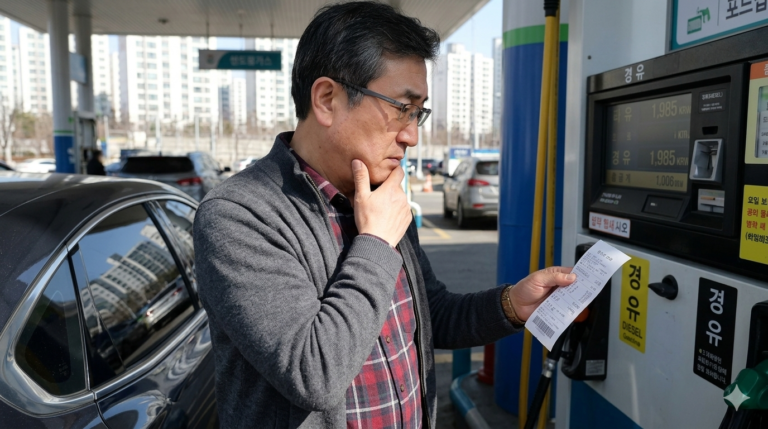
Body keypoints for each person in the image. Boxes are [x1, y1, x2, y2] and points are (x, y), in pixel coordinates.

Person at [193, 2, 575, 428]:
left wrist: (511, 304)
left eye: (419, 113)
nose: (412, 135)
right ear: (326, 99)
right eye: (401, 108)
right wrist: (375, 243)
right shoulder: (241, 216)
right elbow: (314, 373)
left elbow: (431, 316)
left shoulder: (380, 196)